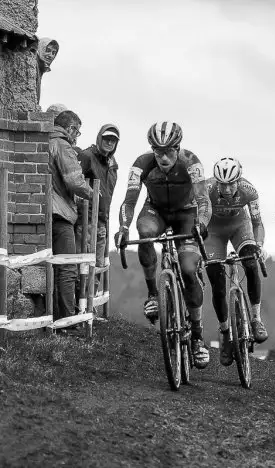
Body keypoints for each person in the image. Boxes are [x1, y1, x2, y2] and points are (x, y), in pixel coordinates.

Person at [114, 121, 212, 368]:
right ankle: (153, 294)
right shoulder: (141, 164)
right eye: (158, 151)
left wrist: (201, 223)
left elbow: (203, 199)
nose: (163, 157)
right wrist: (123, 228)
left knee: (189, 270)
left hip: (186, 214)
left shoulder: (191, 162)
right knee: (144, 231)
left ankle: (198, 336)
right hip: (155, 210)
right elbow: (128, 202)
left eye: (168, 151)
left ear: (178, 147)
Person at [204, 157, 268, 366]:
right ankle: (225, 334)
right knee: (216, 282)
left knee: (250, 263)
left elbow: (258, 223)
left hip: (240, 226)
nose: (228, 188)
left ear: (238, 181)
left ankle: (256, 319)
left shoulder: (249, 191)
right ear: (217, 182)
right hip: (213, 231)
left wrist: (258, 245)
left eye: (232, 183)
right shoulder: (206, 189)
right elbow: (195, 220)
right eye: (223, 184)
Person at [49, 110, 93, 323]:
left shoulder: (45, 141)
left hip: (46, 212)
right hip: (61, 213)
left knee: (51, 267)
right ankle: (66, 320)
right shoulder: (63, 145)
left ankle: (53, 316)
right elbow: (74, 181)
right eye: (77, 131)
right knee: (67, 268)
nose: (77, 137)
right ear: (71, 128)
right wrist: (92, 193)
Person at [75, 124, 120, 304]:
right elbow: (75, 183)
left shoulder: (112, 163)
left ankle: (88, 307)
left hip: (103, 219)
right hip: (86, 219)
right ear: (99, 138)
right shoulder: (86, 156)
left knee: (98, 265)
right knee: (84, 265)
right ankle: (79, 306)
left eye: (113, 140)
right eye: (106, 138)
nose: (109, 142)